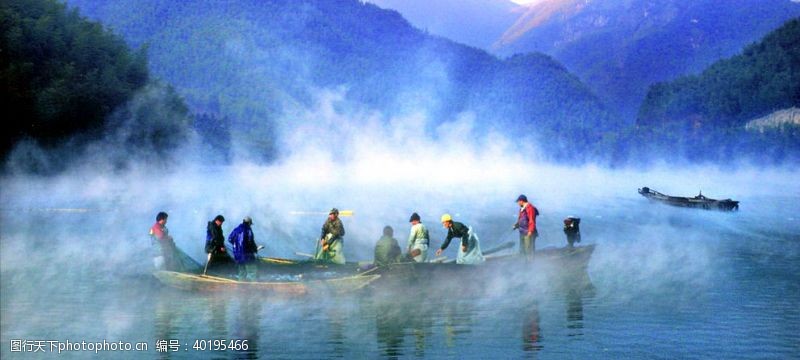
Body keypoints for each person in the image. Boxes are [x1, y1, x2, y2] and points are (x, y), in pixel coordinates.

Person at [228, 216, 259, 281]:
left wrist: (236, 245)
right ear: (249, 223)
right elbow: (251, 241)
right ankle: (254, 288)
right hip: (247, 254)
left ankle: (241, 287)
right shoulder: (248, 230)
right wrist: (255, 249)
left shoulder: (236, 229)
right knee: (252, 272)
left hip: (238, 255)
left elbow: (230, 239)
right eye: (250, 224)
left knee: (241, 272)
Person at [513, 194, 539, 259]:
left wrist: (530, 231)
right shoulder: (522, 208)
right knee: (522, 249)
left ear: (521, 201)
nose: (518, 203)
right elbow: (521, 219)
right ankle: (524, 264)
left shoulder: (530, 208)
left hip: (528, 232)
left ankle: (530, 264)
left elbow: (531, 220)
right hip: (522, 232)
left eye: (518, 201)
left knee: (529, 249)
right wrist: (516, 225)